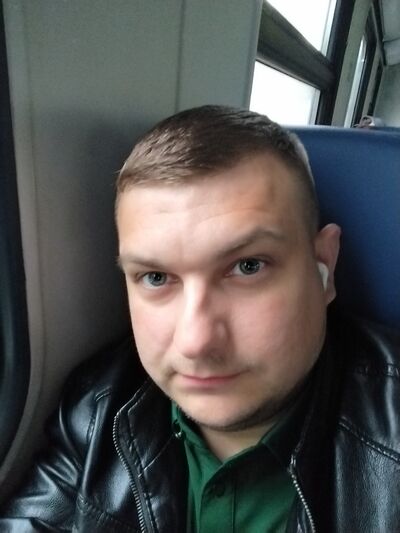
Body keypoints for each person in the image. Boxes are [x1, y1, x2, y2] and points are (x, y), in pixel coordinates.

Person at [1, 106, 399, 532]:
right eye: (156, 277)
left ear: (324, 268)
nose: (196, 342)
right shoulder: (96, 410)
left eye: (248, 267)